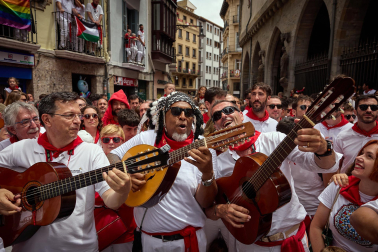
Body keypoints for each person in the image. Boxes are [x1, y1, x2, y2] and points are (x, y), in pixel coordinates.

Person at [0, 92, 131, 251]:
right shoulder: (22, 149)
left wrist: (123, 191)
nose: (78, 121)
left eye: (79, 115)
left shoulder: (91, 152)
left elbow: (111, 199)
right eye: (69, 115)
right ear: (47, 120)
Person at [206, 99, 341, 252]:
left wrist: (324, 149)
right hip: (250, 244)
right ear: (216, 126)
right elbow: (209, 207)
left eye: (229, 110)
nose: (224, 115)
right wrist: (221, 209)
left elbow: (320, 164)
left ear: (242, 115)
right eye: (217, 115)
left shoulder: (274, 139)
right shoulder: (219, 161)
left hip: (290, 240)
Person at [109, 91, 217, 252]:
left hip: (188, 242)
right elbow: (112, 156)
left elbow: (205, 203)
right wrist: (126, 174)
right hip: (149, 241)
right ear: (163, 117)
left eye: (188, 113)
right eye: (176, 111)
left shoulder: (204, 149)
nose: (183, 116)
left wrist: (208, 174)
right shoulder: (146, 138)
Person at [310, 140, 378, 252]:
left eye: (369, 156)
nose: (358, 158)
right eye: (362, 153)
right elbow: (316, 227)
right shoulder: (339, 185)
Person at [334, 95, 378, 173]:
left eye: (373, 107)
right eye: (363, 107)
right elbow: (335, 165)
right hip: (347, 183)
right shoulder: (343, 136)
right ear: (355, 112)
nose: (369, 110)